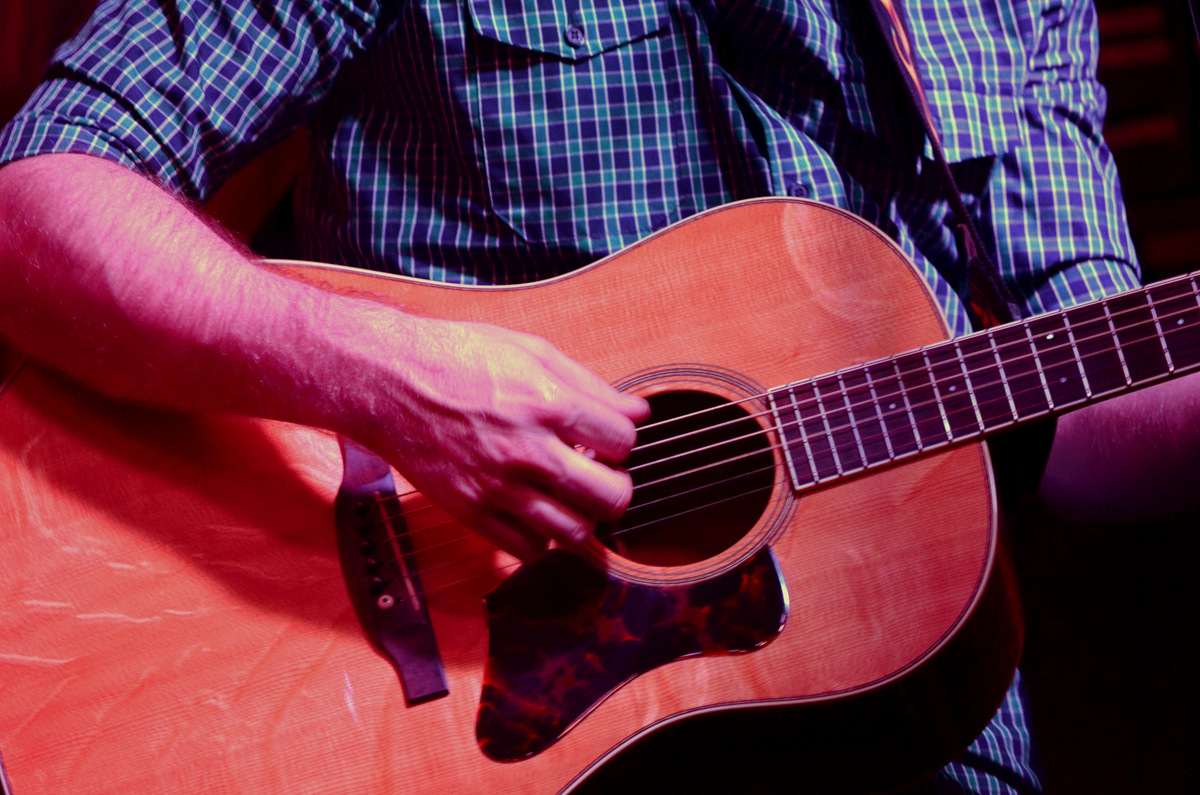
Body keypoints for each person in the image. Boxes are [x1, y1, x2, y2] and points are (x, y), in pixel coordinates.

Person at [1, 0, 1198, 792]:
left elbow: (1082, 416)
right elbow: (35, 198)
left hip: (898, 718)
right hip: (435, 704)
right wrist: (384, 379)